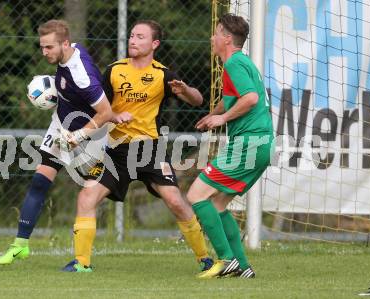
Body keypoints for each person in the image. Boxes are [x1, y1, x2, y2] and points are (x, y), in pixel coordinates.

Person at [61, 19, 213, 273]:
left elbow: (197, 100)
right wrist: (111, 117)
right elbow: (100, 110)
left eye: (140, 37)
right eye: (132, 35)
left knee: (175, 201)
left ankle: (204, 258)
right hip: (117, 151)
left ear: (154, 44)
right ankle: (82, 262)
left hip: (150, 150)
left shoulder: (163, 74)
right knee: (87, 197)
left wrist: (185, 90)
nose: (133, 40)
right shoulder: (114, 71)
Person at [0, 19, 113, 265]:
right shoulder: (70, 52)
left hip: (88, 135)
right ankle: (20, 245)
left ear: (65, 44)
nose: (44, 52)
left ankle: (82, 260)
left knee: (93, 193)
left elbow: (105, 113)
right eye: (42, 47)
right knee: (39, 181)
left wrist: (78, 135)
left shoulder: (81, 75)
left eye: (49, 47)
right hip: (60, 127)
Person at [186, 13, 274, 279]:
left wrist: (222, 118)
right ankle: (243, 267)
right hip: (260, 144)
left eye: (215, 33)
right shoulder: (241, 63)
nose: (211, 38)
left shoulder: (234, 63)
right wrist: (213, 114)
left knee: (196, 195)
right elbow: (235, 97)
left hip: (248, 143)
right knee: (219, 204)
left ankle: (226, 260)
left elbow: (250, 98)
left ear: (226, 38)